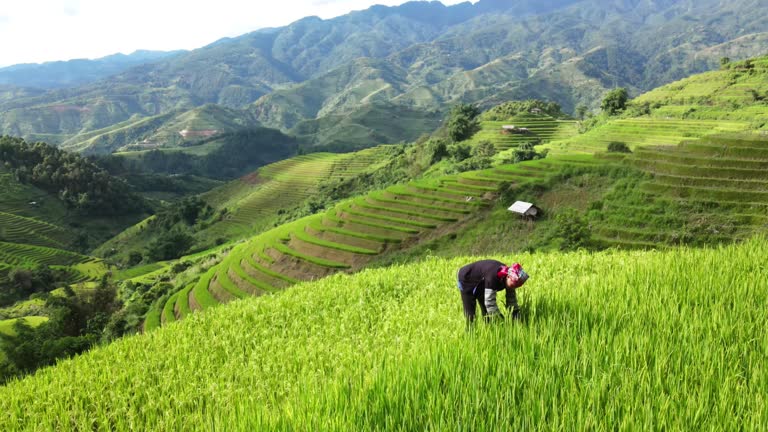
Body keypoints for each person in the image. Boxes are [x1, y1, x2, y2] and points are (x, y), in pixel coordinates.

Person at [456, 260, 529, 326]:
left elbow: (511, 301)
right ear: (508, 277)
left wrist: (516, 316)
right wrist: (503, 322)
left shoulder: (510, 280)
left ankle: (489, 329)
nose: (515, 286)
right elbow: (490, 304)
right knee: (470, 315)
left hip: (482, 281)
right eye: (514, 284)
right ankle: (470, 335)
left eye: (518, 285)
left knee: (487, 313)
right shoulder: (493, 278)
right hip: (466, 278)